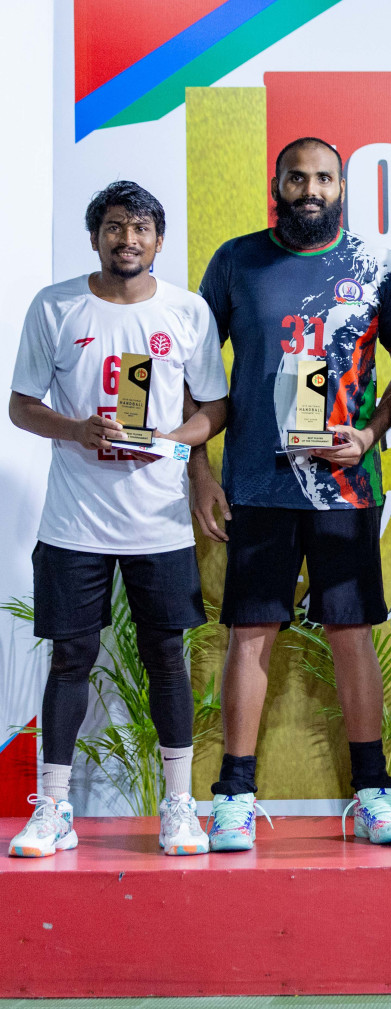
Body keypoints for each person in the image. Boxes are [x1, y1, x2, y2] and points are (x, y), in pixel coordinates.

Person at [192, 137, 391, 850]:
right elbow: (196, 378)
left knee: (351, 635)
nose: (310, 188)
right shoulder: (235, 261)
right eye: (298, 177)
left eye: (323, 177)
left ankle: (374, 790)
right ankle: (234, 793)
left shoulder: (379, 267)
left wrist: (371, 435)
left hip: (345, 489)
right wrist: (197, 468)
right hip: (256, 484)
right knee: (249, 634)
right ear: (277, 184)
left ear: (342, 187)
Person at [8, 181, 227, 857]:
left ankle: (180, 809)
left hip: (157, 523)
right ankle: (53, 809)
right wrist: (78, 430)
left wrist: (169, 441)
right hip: (74, 522)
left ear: (158, 240)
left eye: (140, 229)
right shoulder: (55, 306)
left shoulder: (187, 311)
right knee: (71, 658)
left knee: (167, 658)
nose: (126, 239)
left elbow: (214, 408)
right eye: (113, 227)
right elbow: (21, 406)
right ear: (95, 235)